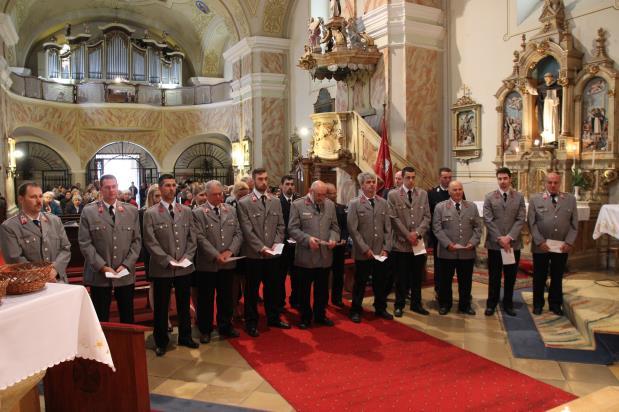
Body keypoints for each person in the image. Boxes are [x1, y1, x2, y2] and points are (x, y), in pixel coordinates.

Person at [143, 174, 198, 356]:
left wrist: (186, 257)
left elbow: (192, 238)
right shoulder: (151, 213)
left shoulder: (186, 211)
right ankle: (161, 341)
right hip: (162, 267)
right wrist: (167, 260)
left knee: (183, 303)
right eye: (167, 185)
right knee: (161, 306)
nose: (171, 188)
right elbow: (150, 242)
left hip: (184, 266)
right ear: (160, 188)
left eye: (174, 185)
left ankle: (185, 336)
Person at [78, 175, 142, 324]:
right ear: (101, 189)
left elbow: (137, 241)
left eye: (114, 186)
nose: (112, 190)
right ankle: (103, 347)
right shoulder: (89, 211)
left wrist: (126, 264)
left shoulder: (131, 211)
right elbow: (85, 242)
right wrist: (102, 267)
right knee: (101, 317)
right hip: (99, 275)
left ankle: (127, 346)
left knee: (127, 315)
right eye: (107, 187)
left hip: (124, 273)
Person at [236, 168, 289, 337]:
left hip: (273, 253)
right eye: (260, 179)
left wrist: (276, 244)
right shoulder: (244, 202)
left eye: (266, 179)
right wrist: (262, 247)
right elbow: (247, 230)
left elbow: (281, 226)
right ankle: (251, 322)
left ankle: (273, 317)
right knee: (252, 291)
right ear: (253, 181)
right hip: (254, 254)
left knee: (272, 287)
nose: (264, 182)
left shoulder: (275, 201)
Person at [193, 180, 243, 343]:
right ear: (206, 195)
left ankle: (225, 326)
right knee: (206, 298)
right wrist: (216, 255)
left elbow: (238, 234)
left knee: (226, 297)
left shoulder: (231, 210)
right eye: (215, 194)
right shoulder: (199, 212)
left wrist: (230, 251)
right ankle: (205, 329)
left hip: (228, 261)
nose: (219, 197)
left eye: (221, 193)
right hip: (207, 263)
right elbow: (199, 237)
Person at [288, 180, 340, 329]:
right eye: (319, 195)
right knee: (304, 291)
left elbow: (335, 227)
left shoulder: (329, 205)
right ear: (310, 191)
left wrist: (333, 238)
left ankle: (320, 315)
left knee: (322, 290)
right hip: (306, 257)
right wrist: (307, 239)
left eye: (324, 195)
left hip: (324, 257)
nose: (322, 198)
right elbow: (292, 229)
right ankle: (305, 317)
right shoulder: (298, 204)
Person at [528, 172, 578, 316]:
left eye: (556, 182)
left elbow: (574, 224)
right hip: (541, 246)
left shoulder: (570, 199)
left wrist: (569, 242)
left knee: (557, 276)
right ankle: (538, 304)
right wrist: (539, 241)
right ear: (545, 183)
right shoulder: (535, 199)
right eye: (550, 182)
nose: (553, 185)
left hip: (561, 246)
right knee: (539, 276)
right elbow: (531, 223)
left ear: (560, 183)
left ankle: (555, 304)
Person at [0, 182, 71, 283]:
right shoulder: (10, 227)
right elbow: (14, 258)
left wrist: (55, 269)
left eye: (40, 196)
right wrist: (42, 274)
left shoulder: (55, 220)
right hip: (30, 284)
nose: (39, 201)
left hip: (58, 280)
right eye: (33, 197)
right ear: (21, 199)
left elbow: (66, 249)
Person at [347, 172, 393, 323]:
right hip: (363, 252)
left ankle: (380, 308)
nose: (372, 184)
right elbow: (353, 230)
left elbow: (388, 228)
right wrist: (365, 249)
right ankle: (355, 310)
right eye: (368, 182)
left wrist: (386, 248)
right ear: (362, 185)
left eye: (373, 182)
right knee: (360, 283)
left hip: (380, 251)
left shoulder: (383, 202)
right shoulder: (355, 203)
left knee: (380, 282)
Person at [432, 180, 481, 315]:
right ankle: (445, 304)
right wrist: (447, 244)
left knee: (466, 281)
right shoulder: (440, 207)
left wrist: (473, 242)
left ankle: (465, 305)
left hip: (467, 252)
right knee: (445, 281)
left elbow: (478, 227)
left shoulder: (471, 207)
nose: (458, 192)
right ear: (449, 191)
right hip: (447, 252)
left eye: (460, 189)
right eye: (455, 190)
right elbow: (436, 228)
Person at [388, 166, 431, 317]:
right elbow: (393, 218)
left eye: (413, 177)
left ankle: (416, 304)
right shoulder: (393, 195)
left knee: (417, 275)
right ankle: (399, 304)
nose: (411, 180)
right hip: (401, 243)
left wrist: (417, 233)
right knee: (401, 276)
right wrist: (408, 235)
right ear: (403, 178)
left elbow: (427, 216)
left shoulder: (423, 194)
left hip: (418, 242)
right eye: (408, 178)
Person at [482, 167, 526, 317]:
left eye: (505, 178)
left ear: (510, 179)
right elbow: (488, 219)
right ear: (497, 179)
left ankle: (508, 303)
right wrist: (500, 238)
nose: (502, 181)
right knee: (494, 276)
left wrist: (509, 237)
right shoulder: (489, 197)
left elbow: (521, 219)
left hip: (513, 244)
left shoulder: (519, 197)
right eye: (500, 179)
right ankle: (491, 303)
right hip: (495, 244)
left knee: (510, 276)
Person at [427, 167, 460, 299]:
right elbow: (429, 214)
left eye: (449, 177)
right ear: (440, 178)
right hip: (439, 236)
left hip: (456, 236)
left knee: (455, 265)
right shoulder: (433, 193)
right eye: (445, 177)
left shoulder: (456, 192)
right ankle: (439, 289)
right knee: (439, 265)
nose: (447, 180)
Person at [278, 175, 301, 310]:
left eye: (292, 184)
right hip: (283, 245)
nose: (290, 187)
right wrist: (287, 238)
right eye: (287, 184)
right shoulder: (276, 202)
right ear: (281, 186)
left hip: (298, 245)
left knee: (297, 276)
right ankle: (280, 302)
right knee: (280, 277)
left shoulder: (300, 201)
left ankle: (296, 300)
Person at [325, 183, 348, 307]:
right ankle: (323, 299)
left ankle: (337, 298)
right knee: (324, 275)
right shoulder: (321, 208)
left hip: (339, 247)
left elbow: (345, 226)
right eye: (331, 193)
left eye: (335, 192)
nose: (334, 195)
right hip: (326, 247)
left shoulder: (341, 208)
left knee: (338, 274)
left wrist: (344, 238)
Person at [534, 72, 562, 145]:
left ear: (552, 77)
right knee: (546, 122)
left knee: (553, 121)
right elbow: (539, 98)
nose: (546, 78)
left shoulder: (558, 86)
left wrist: (553, 98)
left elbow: (560, 98)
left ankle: (555, 138)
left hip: (554, 108)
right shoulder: (541, 88)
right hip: (545, 108)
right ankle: (547, 139)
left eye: (548, 77)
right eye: (545, 77)